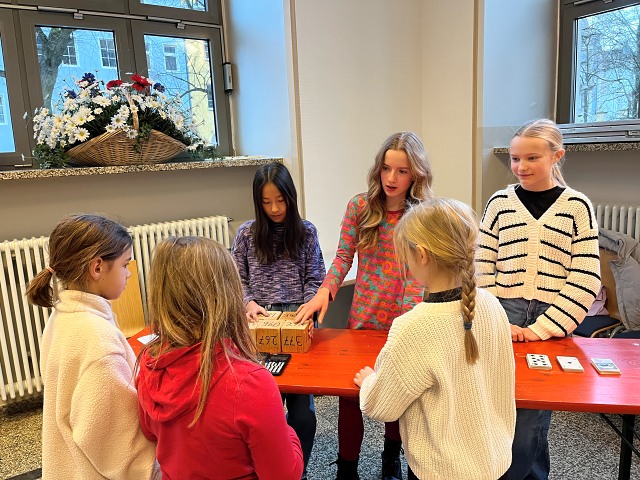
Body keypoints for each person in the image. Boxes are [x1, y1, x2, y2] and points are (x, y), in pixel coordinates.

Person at [296, 132, 434, 480]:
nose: (391, 178)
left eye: (402, 171)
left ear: (416, 174)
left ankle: (391, 459)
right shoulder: (360, 207)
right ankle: (347, 469)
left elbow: (417, 276)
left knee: (397, 394)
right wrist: (324, 292)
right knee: (350, 395)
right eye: (386, 168)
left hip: (404, 321)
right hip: (363, 318)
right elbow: (343, 257)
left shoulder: (423, 215)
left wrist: (406, 323)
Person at [355, 198, 516, 480]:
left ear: (422, 255)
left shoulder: (413, 327)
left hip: (442, 471)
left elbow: (381, 406)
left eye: (405, 254)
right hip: (495, 461)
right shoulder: (492, 305)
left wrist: (370, 382)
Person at [476, 118, 601, 480]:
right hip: (504, 312)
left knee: (532, 415)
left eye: (532, 158)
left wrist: (541, 329)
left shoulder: (577, 207)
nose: (521, 167)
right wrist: (499, 321)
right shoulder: (499, 203)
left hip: (553, 317)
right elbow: (482, 266)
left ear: (556, 156)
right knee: (499, 403)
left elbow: (585, 278)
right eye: (516, 158)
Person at [136, 236, 303, 480]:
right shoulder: (250, 383)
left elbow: (150, 432)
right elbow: (284, 475)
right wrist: (286, 430)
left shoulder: (148, 364)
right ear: (228, 294)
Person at [26, 214, 159, 480]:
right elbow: (119, 447)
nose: (129, 273)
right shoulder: (98, 341)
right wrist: (156, 471)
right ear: (97, 267)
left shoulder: (63, 315)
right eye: (125, 264)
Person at [231, 162, 324, 479]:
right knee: (262, 408)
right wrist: (248, 302)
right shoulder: (246, 234)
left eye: (280, 201)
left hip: (297, 319)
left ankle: (299, 470)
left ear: (291, 197)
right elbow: (237, 280)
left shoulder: (306, 232)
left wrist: (308, 306)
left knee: (303, 414)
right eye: (266, 202)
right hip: (260, 323)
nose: (274, 209)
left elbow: (316, 278)